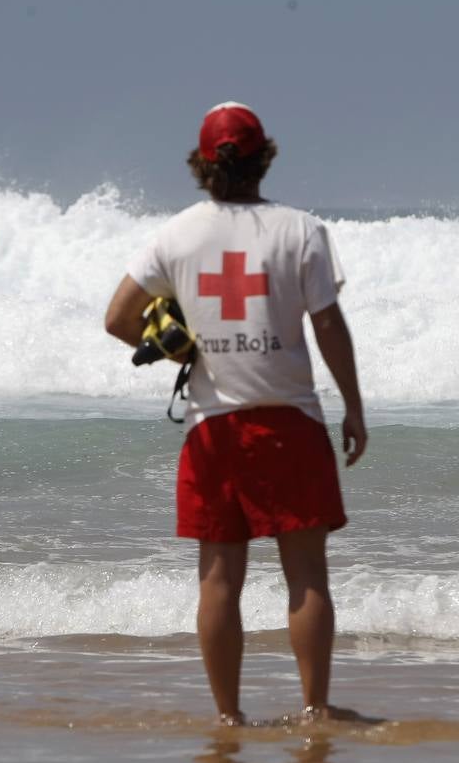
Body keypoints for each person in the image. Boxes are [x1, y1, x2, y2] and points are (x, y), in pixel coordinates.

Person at [104, 102, 366, 727]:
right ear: (263, 156)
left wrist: (177, 340)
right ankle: (315, 709)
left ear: (202, 162)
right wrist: (354, 406)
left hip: (213, 427)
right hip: (290, 423)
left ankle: (228, 718)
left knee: (219, 580)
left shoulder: (178, 234)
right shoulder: (301, 230)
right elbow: (327, 324)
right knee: (306, 576)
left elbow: (118, 319)